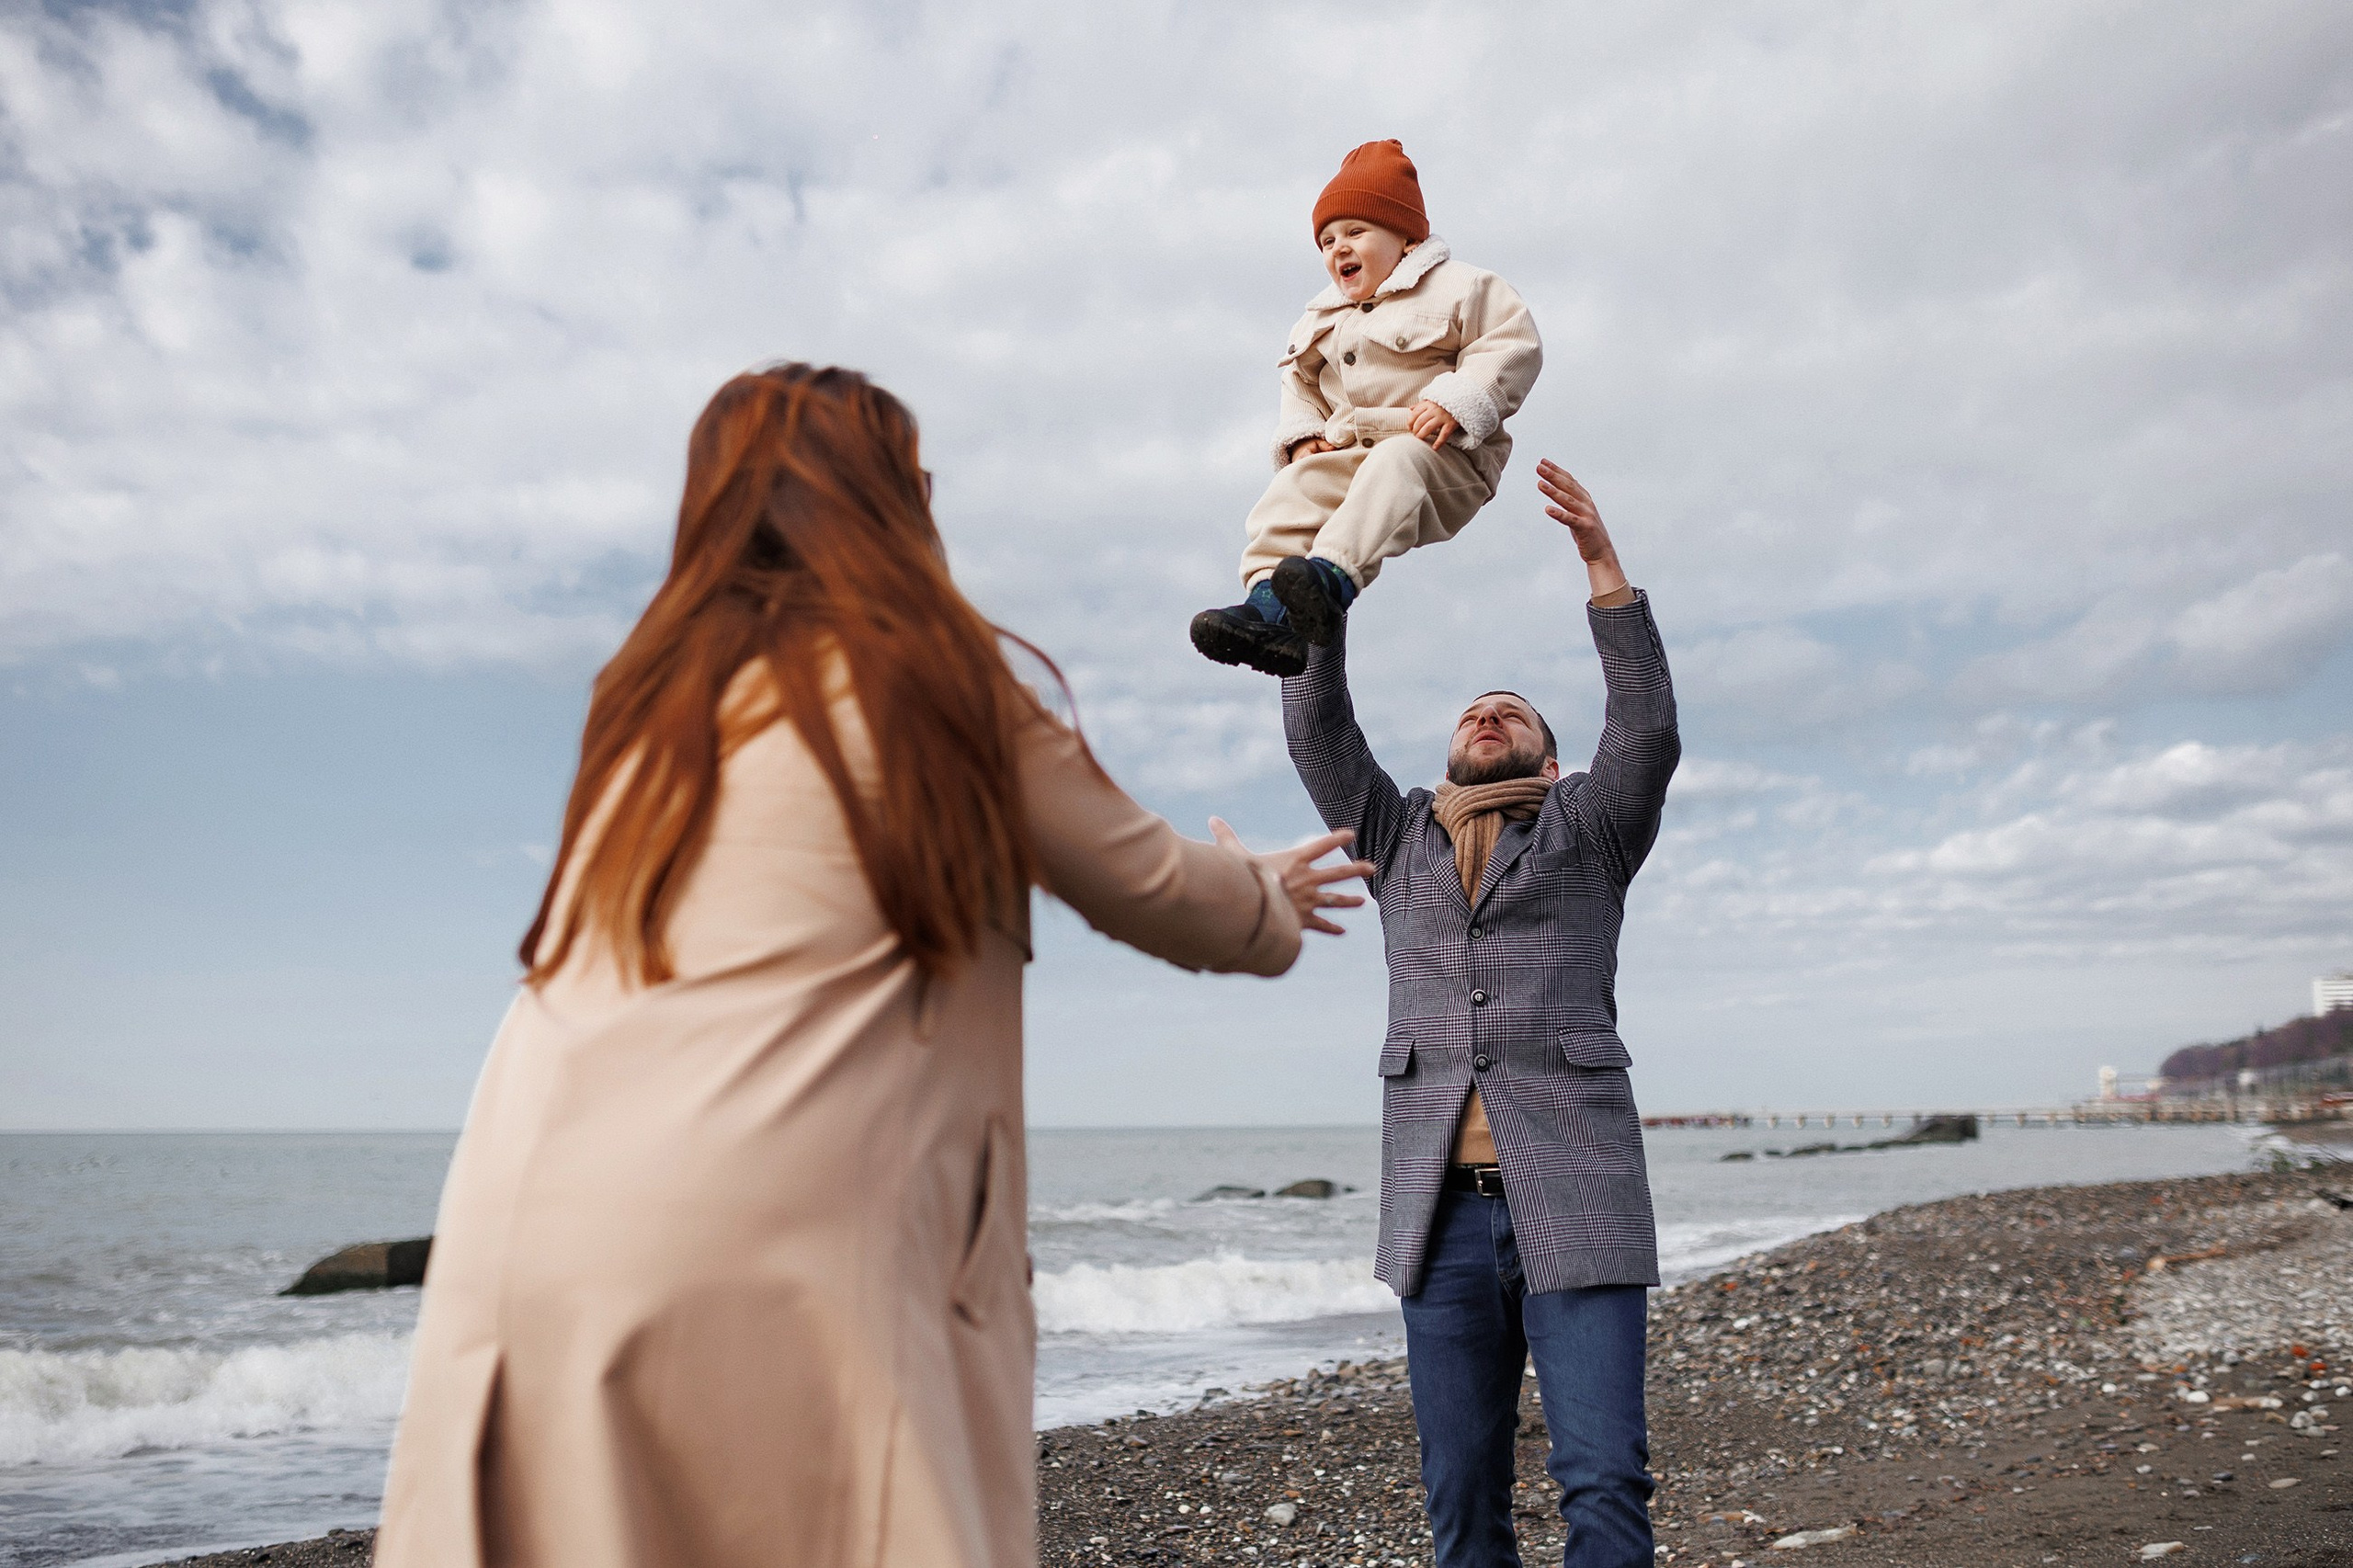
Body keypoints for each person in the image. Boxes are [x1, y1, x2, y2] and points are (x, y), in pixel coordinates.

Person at [374, 364, 1372, 1568]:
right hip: (779, 1232)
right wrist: (1265, 895)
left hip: (526, 1228)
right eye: (912, 471)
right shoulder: (935, 678)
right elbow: (1150, 882)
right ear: (885, 500)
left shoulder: (644, 704)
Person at [1281, 461, 1679, 1568]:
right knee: (1461, 1496)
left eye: (1510, 710)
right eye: (1472, 709)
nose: (1487, 711)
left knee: (1604, 1479)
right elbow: (1317, 726)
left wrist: (1604, 570)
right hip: (1440, 1218)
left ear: (1551, 762)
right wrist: (1329, 578)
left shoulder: (1589, 828)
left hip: (1579, 1192)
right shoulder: (1396, 834)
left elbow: (1643, 731)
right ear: (1450, 752)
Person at [1190, 139, 1543, 678]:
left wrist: (1460, 399)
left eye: (1356, 232)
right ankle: (1269, 612)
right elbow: (1299, 381)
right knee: (1294, 489)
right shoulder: (1319, 318)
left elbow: (1510, 342)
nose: (1339, 249)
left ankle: (1331, 580)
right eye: (1327, 240)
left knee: (1396, 463)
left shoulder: (1459, 287)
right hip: (1352, 450)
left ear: (1406, 239)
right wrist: (1303, 434)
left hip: (1443, 458)